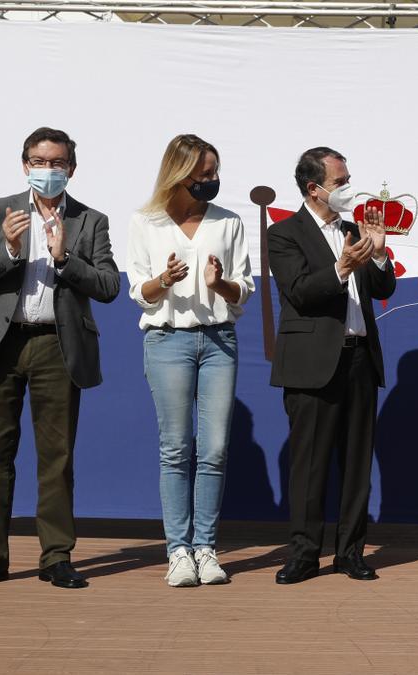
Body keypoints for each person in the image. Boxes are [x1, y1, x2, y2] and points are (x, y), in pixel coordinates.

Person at [0, 127, 120, 590]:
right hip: (0, 345)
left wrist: (65, 260)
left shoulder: (90, 220)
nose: (48, 170)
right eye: (39, 162)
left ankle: (56, 557)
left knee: (57, 457)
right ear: (25, 165)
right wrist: (8, 249)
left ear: (72, 169)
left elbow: (108, 287)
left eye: (57, 163)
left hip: (56, 345)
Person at [127, 134, 254, 587]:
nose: (212, 181)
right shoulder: (147, 222)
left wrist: (219, 285)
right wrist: (163, 280)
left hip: (219, 341)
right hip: (167, 341)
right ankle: (178, 552)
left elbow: (243, 292)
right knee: (176, 448)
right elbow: (139, 294)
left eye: (215, 173)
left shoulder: (229, 222)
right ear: (179, 175)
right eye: (204, 175)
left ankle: (206, 549)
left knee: (215, 449)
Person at [268, 146, 396, 584]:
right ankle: (304, 554)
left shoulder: (355, 228)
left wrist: (377, 253)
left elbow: (383, 287)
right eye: (340, 183)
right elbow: (299, 292)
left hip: (359, 358)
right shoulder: (284, 234)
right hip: (313, 362)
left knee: (357, 464)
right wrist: (341, 267)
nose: (348, 189)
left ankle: (350, 552)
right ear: (314, 188)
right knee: (310, 464)